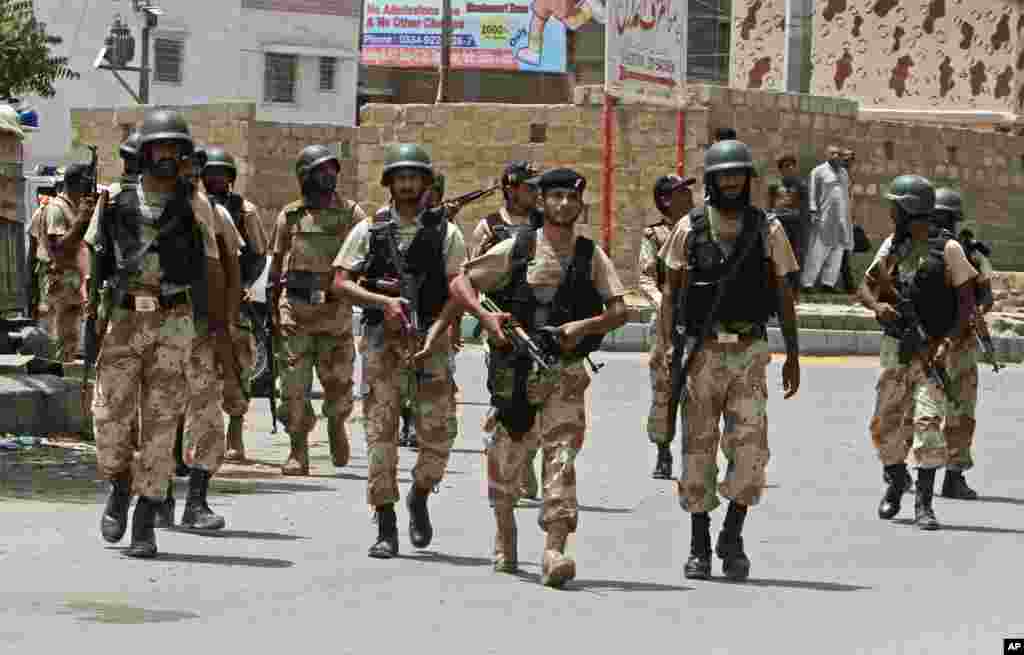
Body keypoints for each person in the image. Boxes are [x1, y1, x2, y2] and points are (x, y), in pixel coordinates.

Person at [422, 167, 628, 587]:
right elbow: (461, 283)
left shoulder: (590, 255)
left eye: (572, 198)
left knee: (561, 458)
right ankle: (505, 529)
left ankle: (554, 550)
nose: (564, 204)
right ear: (542, 202)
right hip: (516, 370)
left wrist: (584, 327)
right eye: (556, 197)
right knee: (505, 459)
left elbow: (620, 310)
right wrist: (485, 318)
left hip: (565, 373)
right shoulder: (518, 247)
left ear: (580, 204)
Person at [86, 108, 230, 558]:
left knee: (162, 422)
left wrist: (216, 329)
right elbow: (95, 258)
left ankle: (146, 517)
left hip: (174, 321)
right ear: (144, 152)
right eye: (159, 147)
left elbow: (212, 267)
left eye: (174, 148)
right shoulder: (114, 198)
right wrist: (93, 319)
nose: (166, 155)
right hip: (124, 319)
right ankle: (118, 484)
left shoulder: (196, 204)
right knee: (108, 418)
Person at [660, 140, 801, 581]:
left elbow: (784, 294)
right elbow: (671, 294)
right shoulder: (688, 227)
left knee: (751, 451)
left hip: (749, 352)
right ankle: (699, 544)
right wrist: (668, 349)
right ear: (713, 180)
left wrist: (793, 354)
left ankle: (733, 534)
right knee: (697, 450)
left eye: (739, 174)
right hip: (700, 354)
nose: (732, 181)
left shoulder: (768, 229)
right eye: (725, 175)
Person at [333, 143, 466, 559]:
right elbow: (340, 282)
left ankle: (420, 494)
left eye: (414, 177)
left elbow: (460, 289)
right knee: (381, 434)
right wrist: (382, 302)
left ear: (426, 183)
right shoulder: (369, 230)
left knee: (439, 433)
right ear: (389, 183)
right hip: (382, 344)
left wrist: (439, 330)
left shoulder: (447, 232)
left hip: (430, 343)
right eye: (400, 177)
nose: (407, 185)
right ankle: (386, 522)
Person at [856, 175, 978, 530]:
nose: (891, 213)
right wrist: (877, 306)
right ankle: (896, 479)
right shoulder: (892, 246)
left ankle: (924, 504)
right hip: (896, 348)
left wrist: (947, 343)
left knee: (928, 423)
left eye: (895, 207)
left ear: (909, 209)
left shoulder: (949, 249)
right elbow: (866, 286)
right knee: (885, 423)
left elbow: (967, 304)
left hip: (932, 350)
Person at [268, 145, 366, 476]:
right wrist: (272, 310)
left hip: (334, 314)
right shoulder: (290, 216)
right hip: (295, 314)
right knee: (292, 388)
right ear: (305, 176)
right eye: (321, 170)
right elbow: (276, 266)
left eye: (332, 169)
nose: (329, 176)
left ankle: (336, 423)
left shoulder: (352, 214)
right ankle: (298, 449)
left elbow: (367, 257)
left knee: (338, 383)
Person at [470, 161, 543, 499]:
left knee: (539, 402)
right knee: (504, 398)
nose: (535, 193)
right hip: (503, 327)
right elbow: (473, 279)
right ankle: (502, 471)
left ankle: (525, 460)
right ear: (511, 189)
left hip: (540, 326)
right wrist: (487, 318)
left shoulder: (544, 223)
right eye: (529, 187)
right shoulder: (489, 227)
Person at [201, 146, 270, 463]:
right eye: (210, 173)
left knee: (238, 365)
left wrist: (240, 286)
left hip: (233, 301)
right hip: (199, 299)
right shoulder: (194, 204)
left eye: (221, 173)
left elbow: (258, 255)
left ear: (230, 177)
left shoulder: (245, 210)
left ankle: (235, 433)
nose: (216, 179)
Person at [640, 174, 695, 479]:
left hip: (697, 320)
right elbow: (646, 278)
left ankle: (696, 455)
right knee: (664, 387)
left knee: (699, 389)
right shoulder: (654, 235)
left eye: (688, 190)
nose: (688, 195)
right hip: (665, 321)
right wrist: (664, 303)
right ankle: (663, 450)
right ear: (665, 200)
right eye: (680, 192)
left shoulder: (702, 229)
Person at [40, 162, 94, 361]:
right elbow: (58, 248)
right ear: (79, 182)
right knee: (61, 345)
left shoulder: (73, 207)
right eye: (88, 181)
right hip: (61, 287)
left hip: (73, 287)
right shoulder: (57, 208)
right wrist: (82, 221)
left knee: (70, 345)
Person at [802, 145, 852, 293]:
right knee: (817, 251)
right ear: (827, 155)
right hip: (824, 217)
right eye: (833, 153)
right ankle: (807, 283)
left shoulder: (844, 172)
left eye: (838, 154)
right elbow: (812, 192)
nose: (836, 156)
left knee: (837, 252)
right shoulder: (818, 171)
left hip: (841, 219)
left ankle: (828, 284)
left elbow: (845, 195)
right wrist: (813, 211)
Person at [767, 153, 809, 274]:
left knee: (797, 254)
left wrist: (804, 226)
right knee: (780, 254)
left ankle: (796, 280)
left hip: (796, 224)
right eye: (786, 166)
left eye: (792, 165)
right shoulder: (774, 185)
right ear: (781, 169)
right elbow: (769, 206)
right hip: (779, 224)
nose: (790, 168)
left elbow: (805, 209)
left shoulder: (801, 185)